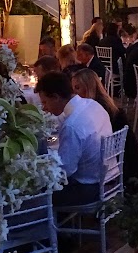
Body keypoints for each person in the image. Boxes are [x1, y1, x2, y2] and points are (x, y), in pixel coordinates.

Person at [35, 71, 112, 207]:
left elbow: (65, 171)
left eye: (45, 102)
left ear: (56, 97)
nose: (45, 108)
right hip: (107, 177)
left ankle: (54, 219)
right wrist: (50, 140)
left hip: (88, 188)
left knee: (34, 191)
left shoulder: (72, 125)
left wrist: (39, 163)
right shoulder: (91, 104)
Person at [71, 69, 138, 189]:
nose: (74, 93)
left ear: (88, 87)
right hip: (125, 160)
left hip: (118, 165)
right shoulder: (104, 102)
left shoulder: (97, 109)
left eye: (77, 88)